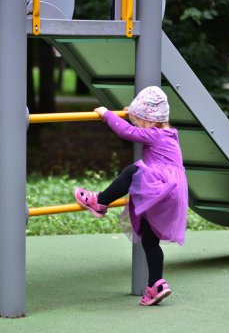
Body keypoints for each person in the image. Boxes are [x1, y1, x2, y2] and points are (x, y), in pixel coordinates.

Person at [74, 86, 188, 306]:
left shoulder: (153, 134)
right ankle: (157, 285)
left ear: (150, 122)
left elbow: (128, 132)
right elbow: (139, 123)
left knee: (132, 171)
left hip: (161, 184)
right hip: (173, 190)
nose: (136, 123)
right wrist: (132, 113)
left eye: (139, 120)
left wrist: (106, 114)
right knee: (150, 240)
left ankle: (99, 202)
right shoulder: (168, 132)